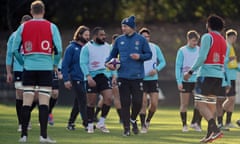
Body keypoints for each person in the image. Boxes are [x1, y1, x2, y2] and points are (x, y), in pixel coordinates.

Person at [12, 0, 62, 143]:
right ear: (44, 11)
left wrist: (23, 62)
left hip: (28, 68)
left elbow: (15, 50)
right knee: (44, 102)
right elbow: (59, 49)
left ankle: (23, 136)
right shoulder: (52, 26)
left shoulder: (23, 27)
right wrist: (54, 64)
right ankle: (43, 136)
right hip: (45, 69)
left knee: (26, 102)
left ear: (31, 11)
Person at [105, 15, 152, 136]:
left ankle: (132, 119)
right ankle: (126, 128)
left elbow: (149, 54)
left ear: (131, 27)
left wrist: (140, 57)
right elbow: (112, 55)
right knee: (125, 102)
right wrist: (107, 63)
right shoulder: (119, 40)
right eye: (122, 26)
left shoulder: (141, 40)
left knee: (137, 102)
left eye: (125, 26)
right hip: (123, 76)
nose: (123, 28)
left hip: (137, 76)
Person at [184, 15, 226, 143]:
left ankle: (216, 129)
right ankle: (209, 136)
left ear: (209, 25)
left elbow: (202, 57)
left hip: (206, 74)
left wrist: (190, 71)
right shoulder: (223, 40)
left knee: (199, 104)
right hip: (218, 76)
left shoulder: (208, 37)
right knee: (210, 106)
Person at [80, 27, 113, 133]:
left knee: (108, 98)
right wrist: (88, 76)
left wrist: (114, 75)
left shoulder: (108, 47)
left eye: (104, 35)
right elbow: (83, 63)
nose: (104, 37)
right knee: (91, 102)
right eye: (101, 35)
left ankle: (101, 123)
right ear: (95, 36)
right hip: (91, 77)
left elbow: (113, 62)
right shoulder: (87, 47)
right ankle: (90, 124)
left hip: (103, 76)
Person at [5, 14, 35, 132]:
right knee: (20, 94)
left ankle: (26, 117)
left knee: (32, 96)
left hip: (32, 69)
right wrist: (9, 72)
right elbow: (9, 54)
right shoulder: (14, 36)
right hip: (18, 69)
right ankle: (22, 122)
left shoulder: (33, 36)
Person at [61, 25, 90, 131]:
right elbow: (65, 65)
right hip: (76, 78)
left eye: (88, 35)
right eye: (86, 35)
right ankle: (86, 123)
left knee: (78, 101)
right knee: (83, 100)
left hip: (86, 78)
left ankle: (71, 122)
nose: (88, 37)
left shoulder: (88, 48)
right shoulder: (71, 48)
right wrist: (66, 79)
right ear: (79, 35)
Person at [138, 27, 166, 133]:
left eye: (147, 36)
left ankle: (148, 120)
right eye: (143, 37)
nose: (146, 38)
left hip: (153, 79)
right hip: (141, 79)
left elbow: (163, 62)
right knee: (143, 102)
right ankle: (142, 125)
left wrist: (156, 69)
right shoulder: (137, 49)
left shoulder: (155, 48)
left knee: (154, 104)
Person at [175, 30, 202, 132]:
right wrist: (179, 81)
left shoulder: (199, 50)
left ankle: (195, 123)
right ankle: (184, 125)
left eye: (196, 41)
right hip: (185, 80)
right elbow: (178, 67)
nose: (195, 43)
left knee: (199, 102)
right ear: (188, 39)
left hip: (197, 80)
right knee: (184, 104)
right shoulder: (182, 50)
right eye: (193, 41)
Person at [94, 33, 122, 123]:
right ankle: (121, 118)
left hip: (111, 76)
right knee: (116, 96)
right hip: (109, 76)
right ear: (113, 41)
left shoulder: (117, 50)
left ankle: (95, 115)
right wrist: (114, 76)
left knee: (105, 98)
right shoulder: (109, 50)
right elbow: (111, 65)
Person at [221, 29, 239, 129]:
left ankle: (228, 122)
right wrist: (230, 59)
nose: (234, 40)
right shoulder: (226, 46)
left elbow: (233, 64)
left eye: (235, 38)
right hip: (227, 76)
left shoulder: (230, 47)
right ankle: (219, 120)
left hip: (232, 76)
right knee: (230, 99)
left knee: (232, 100)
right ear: (228, 37)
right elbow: (222, 61)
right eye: (233, 38)